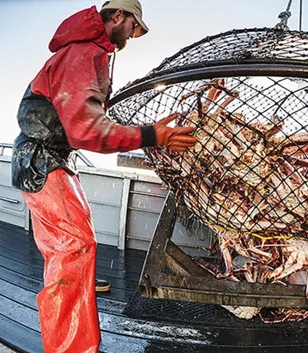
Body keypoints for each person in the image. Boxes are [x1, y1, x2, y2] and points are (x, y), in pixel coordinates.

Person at [11, 1, 197, 352]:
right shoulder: (84, 53)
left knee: (73, 250)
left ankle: (74, 339)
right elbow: (86, 129)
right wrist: (150, 136)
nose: (133, 35)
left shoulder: (83, 51)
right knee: (72, 250)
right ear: (117, 16)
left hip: (49, 160)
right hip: (43, 163)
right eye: (133, 26)